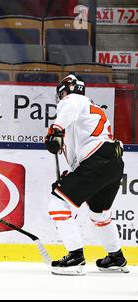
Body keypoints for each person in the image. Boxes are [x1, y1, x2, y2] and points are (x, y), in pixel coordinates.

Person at [45, 73, 128, 276]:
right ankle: (116, 257)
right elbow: (82, 150)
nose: (62, 96)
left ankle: (75, 258)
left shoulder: (73, 100)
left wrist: (55, 130)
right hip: (112, 161)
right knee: (99, 214)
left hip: (97, 160)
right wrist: (71, 176)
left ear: (66, 89)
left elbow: (68, 109)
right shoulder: (90, 108)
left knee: (58, 204)